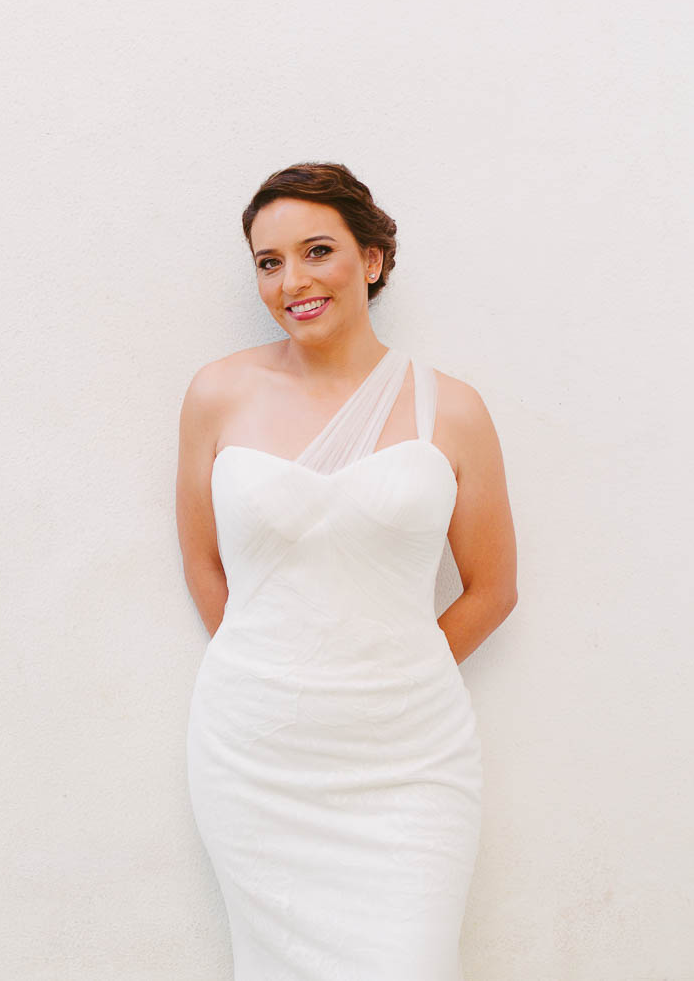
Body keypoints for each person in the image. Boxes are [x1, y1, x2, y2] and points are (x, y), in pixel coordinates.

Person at [175, 162, 518, 979]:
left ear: (371, 259)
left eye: (316, 250)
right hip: (256, 757)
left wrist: (387, 680)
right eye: (268, 261)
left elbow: (494, 588)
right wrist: (278, 672)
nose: (292, 280)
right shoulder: (217, 395)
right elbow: (201, 561)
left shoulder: (453, 409)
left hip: (408, 761)